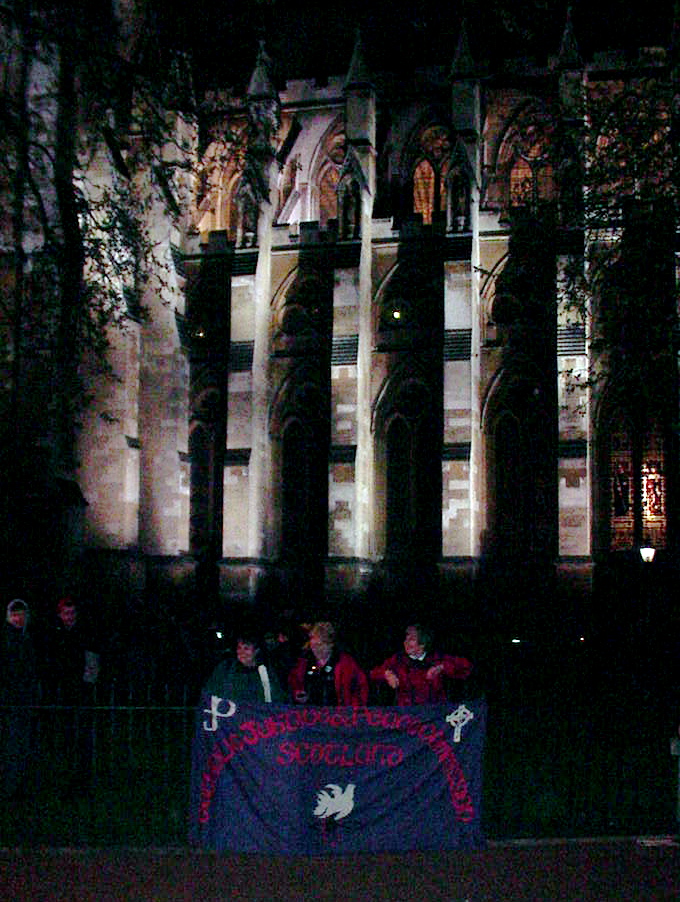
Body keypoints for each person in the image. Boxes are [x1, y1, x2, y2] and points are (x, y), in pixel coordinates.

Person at [48, 596, 100, 797]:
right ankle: (65, 776)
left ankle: (82, 779)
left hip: (81, 693)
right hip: (62, 694)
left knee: (83, 738)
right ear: (59, 615)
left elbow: (92, 662)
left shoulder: (85, 633)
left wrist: (86, 686)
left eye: (72, 613)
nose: (69, 617)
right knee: (65, 737)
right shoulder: (55, 634)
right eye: (66, 613)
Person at [370, 623, 472, 705]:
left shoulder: (436, 658)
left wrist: (442, 667)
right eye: (406, 639)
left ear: (422, 644)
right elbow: (373, 674)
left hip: (434, 713)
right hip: (407, 714)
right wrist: (386, 674)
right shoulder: (398, 660)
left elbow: (466, 667)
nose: (406, 643)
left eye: (412, 640)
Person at [1, 599, 39, 799]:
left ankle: (18, 786)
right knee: (13, 745)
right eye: (15, 615)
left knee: (20, 745)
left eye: (22, 614)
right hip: (12, 701)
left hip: (23, 700)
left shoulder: (25, 639)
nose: (18, 618)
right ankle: (11, 787)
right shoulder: (9, 639)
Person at [288, 621, 368, 706]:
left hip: (339, 713)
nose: (316, 649)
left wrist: (353, 708)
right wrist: (298, 692)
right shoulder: (304, 662)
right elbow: (294, 681)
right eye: (313, 646)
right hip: (309, 712)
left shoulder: (345, 663)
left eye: (319, 645)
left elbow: (361, 686)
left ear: (330, 644)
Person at [202, 629, 287, 703]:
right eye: (239, 648)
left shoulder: (266, 672)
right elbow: (210, 692)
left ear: (256, 651)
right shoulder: (226, 669)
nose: (241, 652)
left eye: (246, 648)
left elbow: (278, 697)